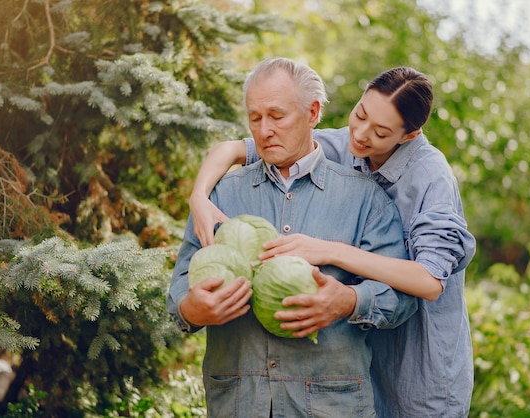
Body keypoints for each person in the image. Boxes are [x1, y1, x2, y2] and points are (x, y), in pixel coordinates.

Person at [190, 66, 477, 417]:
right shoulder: (344, 143)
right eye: (361, 113)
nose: (361, 134)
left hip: (418, 355)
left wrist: (332, 251)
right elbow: (234, 149)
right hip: (363, 349)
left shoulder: (431, 177)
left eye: (381, 131)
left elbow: (429, 282)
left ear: (409, 135)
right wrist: (199, 197)